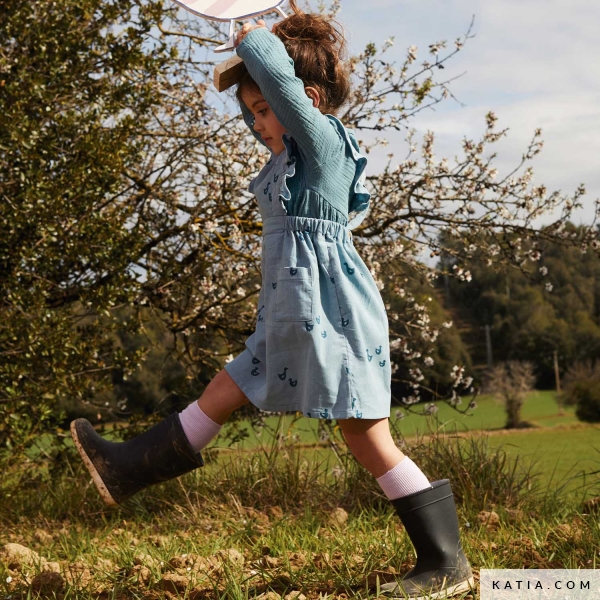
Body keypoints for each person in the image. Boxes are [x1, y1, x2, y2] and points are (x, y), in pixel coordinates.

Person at [70, 3, 473, 598]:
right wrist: (249, 58)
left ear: (305, 99)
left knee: (367, 438)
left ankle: (445, 561)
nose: (257, 123)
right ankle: (126, 469)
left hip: (333, 319)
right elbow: (274, 99)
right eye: (252, 112)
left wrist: (254, 40)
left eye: (264, 110)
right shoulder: (287, 161)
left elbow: (283, 90)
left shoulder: (324, 146)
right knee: (223, 389)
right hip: (288, 318)